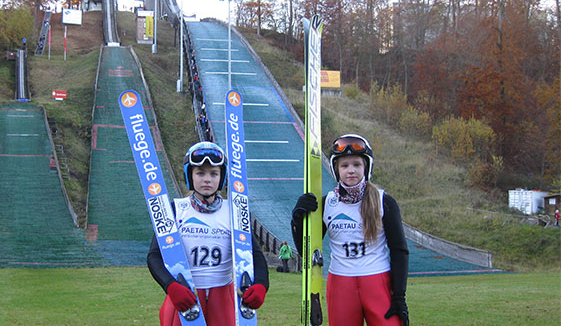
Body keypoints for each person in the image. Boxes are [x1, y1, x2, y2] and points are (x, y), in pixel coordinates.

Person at [291, 134, 409, 326]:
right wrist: (297, 221)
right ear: (336, 170)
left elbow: (399, 250)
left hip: (377, 281)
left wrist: (399, 296)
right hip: (341, 284)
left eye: (357, 165)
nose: (351, 171)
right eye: (344, 166)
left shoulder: (383, 202)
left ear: (367, 167)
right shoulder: (326, 204)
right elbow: (307, 251)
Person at [148, 142, 269, 326]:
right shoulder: (175, 210)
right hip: (185, 296)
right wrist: (170, 286)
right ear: (190, 175)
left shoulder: (235, 212)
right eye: (200, 173)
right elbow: (154, 256)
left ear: (222, 177)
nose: (207, 179)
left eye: (214, 173)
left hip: (222, 298)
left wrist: (261, 284)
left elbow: (256, 254)